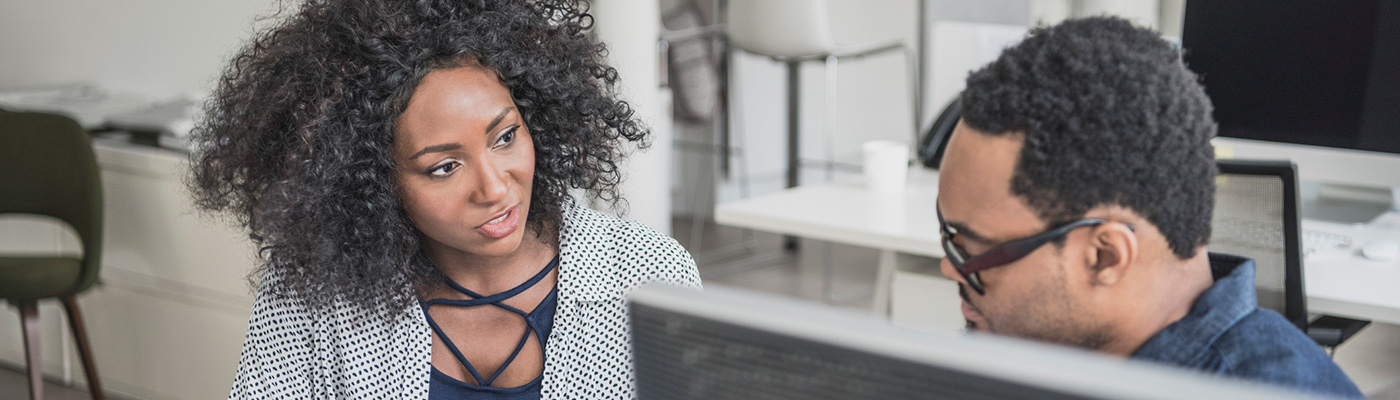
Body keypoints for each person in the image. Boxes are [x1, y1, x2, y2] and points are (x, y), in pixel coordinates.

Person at [188, 0, 700, 398]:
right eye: (444, 167)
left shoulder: (648, 274)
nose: (495, 188)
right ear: (369, 181)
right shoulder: (313, 289)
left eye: (505, 137)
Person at [935, 17, 1362, 398]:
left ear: (1105, 256)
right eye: (947, 233)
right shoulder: (1043, 351)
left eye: (972, 251)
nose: (949, 267)